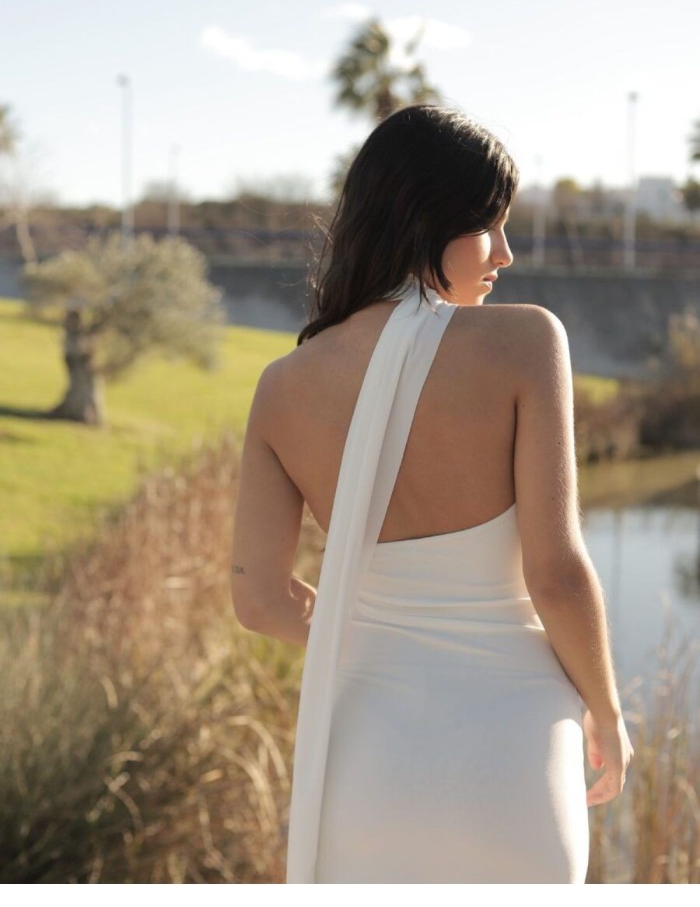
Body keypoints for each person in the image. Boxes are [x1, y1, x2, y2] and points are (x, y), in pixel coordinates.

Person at [230, 103, 634, 883]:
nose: (507, 254)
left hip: (366, 766)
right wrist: (608, 713)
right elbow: (555, 573)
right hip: (514, 754)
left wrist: (386, 634)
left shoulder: (284, 387)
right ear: (428, 218)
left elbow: (261, 603)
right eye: (492, 225)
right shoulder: (525, 341)